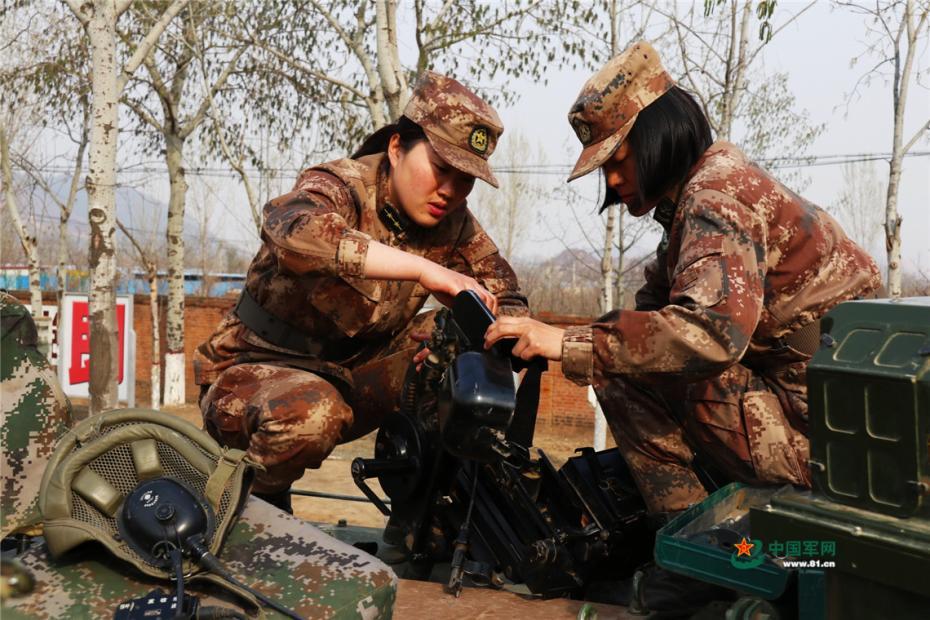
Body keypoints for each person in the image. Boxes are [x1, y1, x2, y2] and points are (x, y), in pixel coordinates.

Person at [485, 41, 882, 519]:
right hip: (836, 430)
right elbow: (645, 320)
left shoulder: (714, 198)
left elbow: (709, 335)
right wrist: (542, 339)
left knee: (616, 368)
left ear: (658, 134)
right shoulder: (697, 204)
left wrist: (571, 343)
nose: (610, 180)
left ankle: (694, 551)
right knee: (621, 351)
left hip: (828, 447)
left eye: (617, 159)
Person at [194, 72, 527, 511]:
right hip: (255, 375)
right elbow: (291, 229)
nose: (450, 191)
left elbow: (509, 300)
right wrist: (426, 272)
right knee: (313, 413)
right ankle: (236, 512)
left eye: (466, 179)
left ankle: (422, 522)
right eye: (442, 169)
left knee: (462, 346)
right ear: (395, 148)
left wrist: (506, 340)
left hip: (352, 378)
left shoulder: (455, 223)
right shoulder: (341, 185)